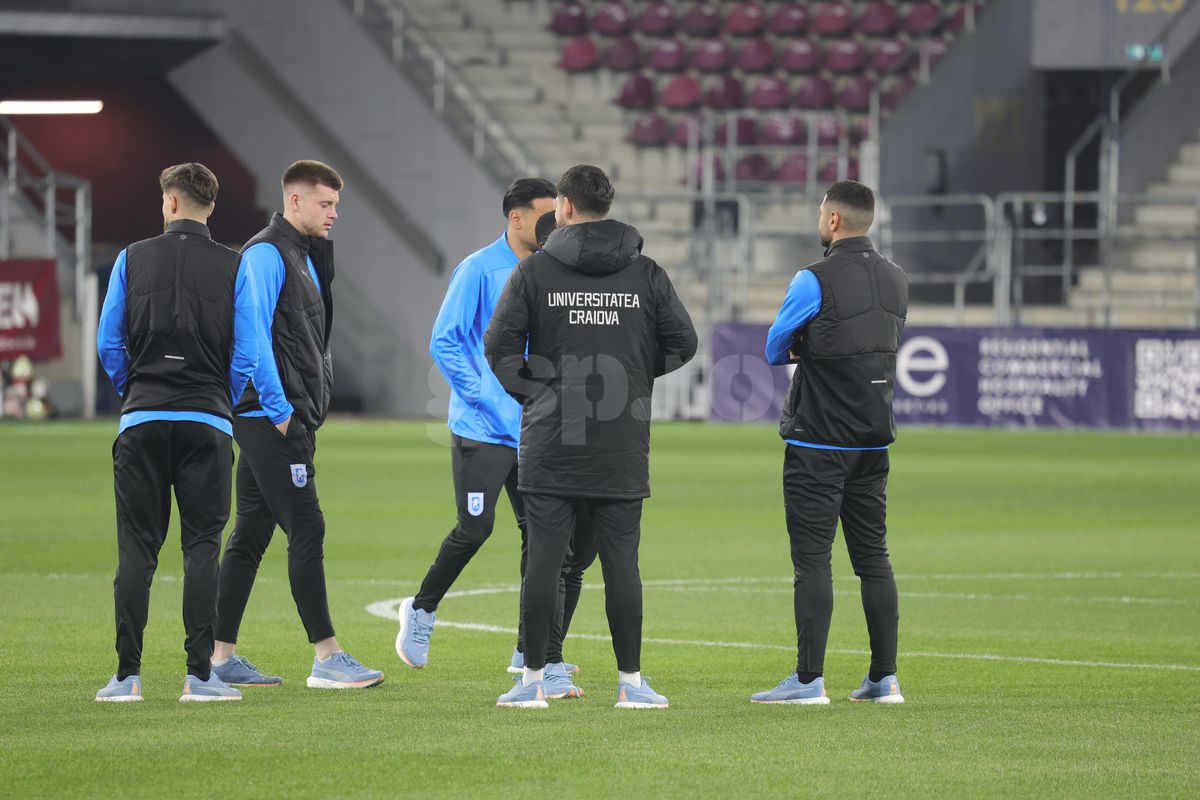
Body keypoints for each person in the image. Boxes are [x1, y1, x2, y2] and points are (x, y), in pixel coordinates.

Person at [485, 164, 698, 709]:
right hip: (620, 439)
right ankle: (631, 684)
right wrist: (633, 374)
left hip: (552, 438)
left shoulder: (534, 271)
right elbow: (684, 342)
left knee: (544, 561)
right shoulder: (646, 272)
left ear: (564, 207)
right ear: (606, 206)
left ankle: (532, 681)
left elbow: (498, 345)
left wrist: (535, 394)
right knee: (622, 564)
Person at [395, 179, 594, 701]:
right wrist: (485, 396)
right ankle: (421, 609)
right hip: (483, 429)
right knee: (475, 529)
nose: (554, 225)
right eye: (544, 216)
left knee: (545, 540)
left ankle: (532, 650)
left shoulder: (553, 270)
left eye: (558, 216)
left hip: (537, 429)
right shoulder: (478, 269)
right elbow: (445, 339)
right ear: (515, 217)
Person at [211, 160, 384, 689]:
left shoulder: (303, 254)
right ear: (295, 201)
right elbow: (252, 335)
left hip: (280, 414)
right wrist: (281, 410)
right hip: (270, 416)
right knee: (307, 526)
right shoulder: (266, 253)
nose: (334, 214)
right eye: (325, 204)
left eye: (336, 205)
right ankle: (327, 657)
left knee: (251, 533)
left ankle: (218, 658)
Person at [95, 163, 257, 702]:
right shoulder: (235, 265)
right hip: (206, 421)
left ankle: (127, 677)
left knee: (136, 552)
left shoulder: (130, 258)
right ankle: (199, 677)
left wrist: (136, 390)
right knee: (202, 549)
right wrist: (218, 398)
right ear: (212, 207)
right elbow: (248, 352)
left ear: (169, 202)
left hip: (142, 418)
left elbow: (109, 342)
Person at [752, 180, 909, 706]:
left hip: (818, 441)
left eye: (822, 212)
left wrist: (807, 342)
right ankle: (884, 679)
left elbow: (775, 346)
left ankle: (808, 680)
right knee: (874, 559)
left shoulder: (812, 278)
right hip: (873, 443)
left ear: (834, 220)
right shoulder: (897, 279)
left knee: (813, 561)